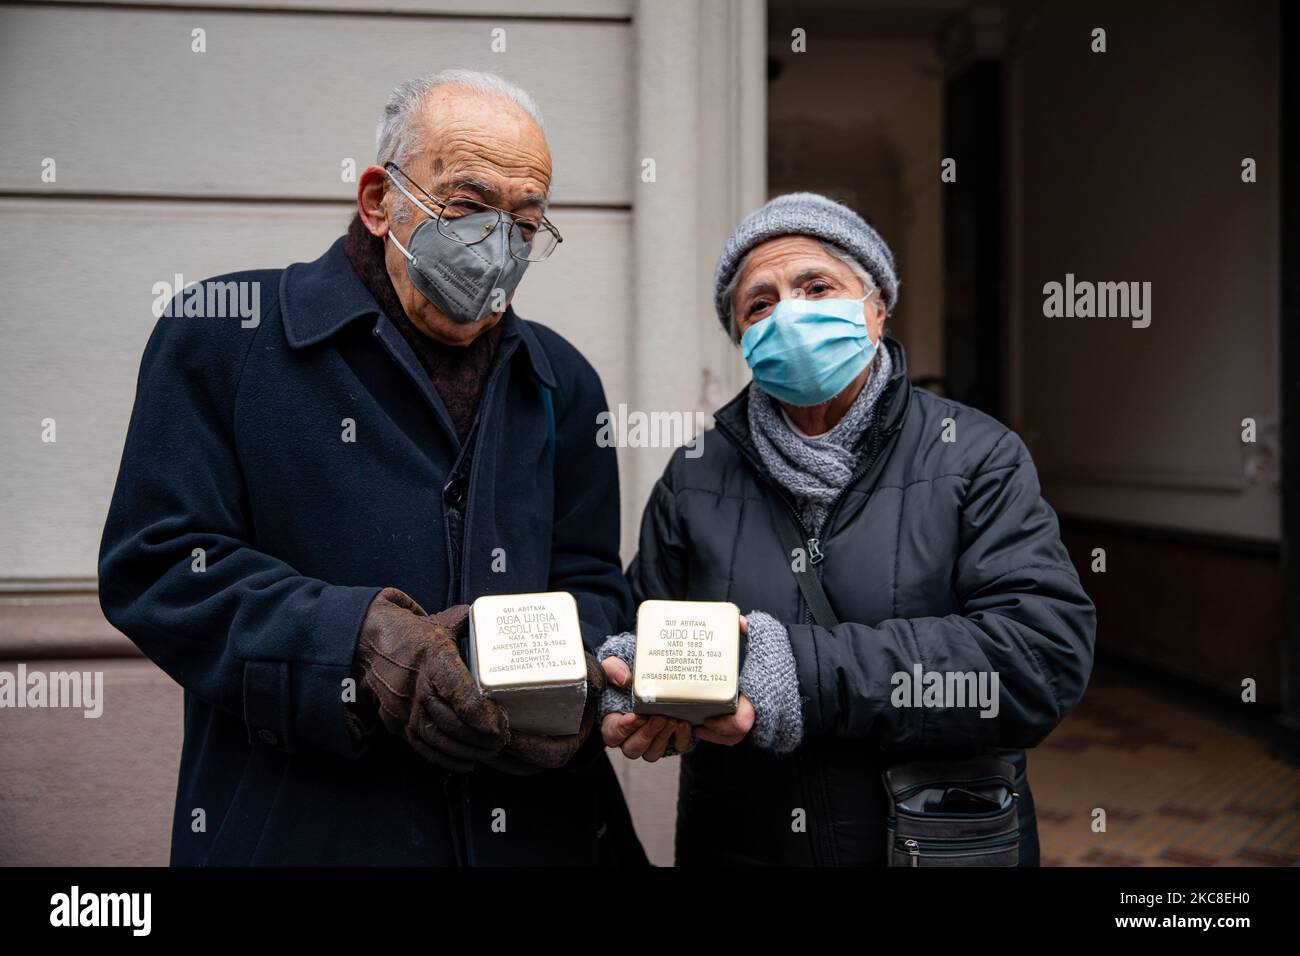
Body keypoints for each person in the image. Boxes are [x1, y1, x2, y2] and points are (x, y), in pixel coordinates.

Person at [99, 70, 644, 865]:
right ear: (379, 200)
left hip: (535, 827)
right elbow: (159, 568)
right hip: (307, 827)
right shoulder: (228, 339)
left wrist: (569, 680)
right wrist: (360, 640)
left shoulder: (560, 378)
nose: (498, 242)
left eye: (525, 223)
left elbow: (592, 581)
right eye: (467, 204)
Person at [599, 192, 1096, 865]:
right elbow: (647, 625)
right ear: (743, 338)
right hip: (743, 842)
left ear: (876, 303)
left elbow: (1040, 658)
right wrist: (632, 682)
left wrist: (799, 674)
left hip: (930, 842)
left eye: (816, 286)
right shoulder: (694, 475)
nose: (791, 314)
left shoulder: (975, 454)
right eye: (760, 303)